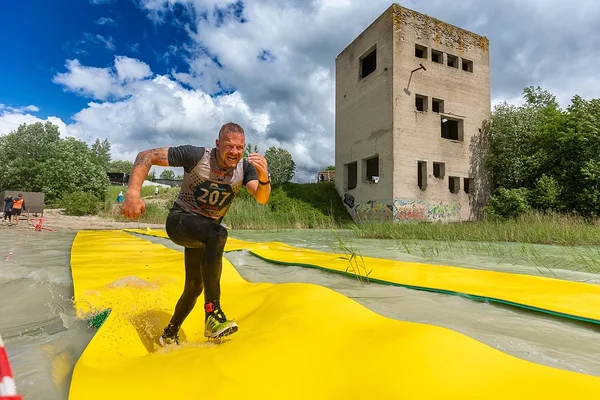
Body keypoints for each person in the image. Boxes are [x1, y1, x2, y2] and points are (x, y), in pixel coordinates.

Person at [120, 122, 271, 344]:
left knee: (194, 286)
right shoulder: (196, 156)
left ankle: (169, 333)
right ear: (218, 144)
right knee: (219, 234)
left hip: (204, 234)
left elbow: (262, 197)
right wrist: (133, 194)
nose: (234, 152)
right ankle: (213, 313)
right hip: (180, 221)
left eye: (240, 147)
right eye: (229, 146)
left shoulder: (244, 168)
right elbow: (147, 155)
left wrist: (264, 177)